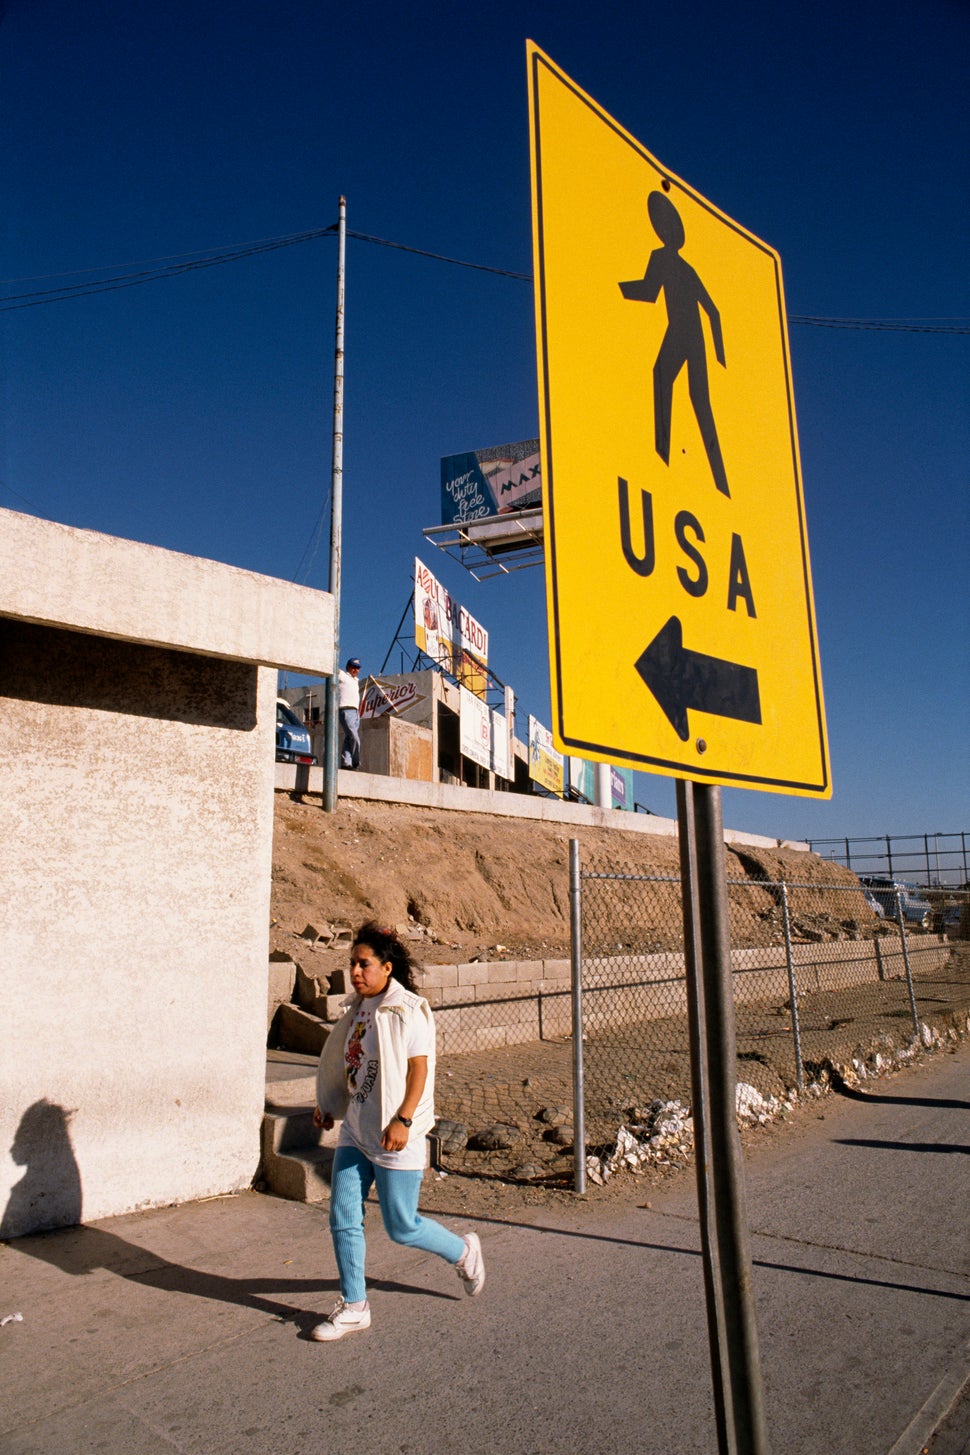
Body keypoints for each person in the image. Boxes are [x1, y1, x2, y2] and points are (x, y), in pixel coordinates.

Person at [311, 921, 485, 1341]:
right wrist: (329, 1106)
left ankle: (464, 1252)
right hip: (356, 1131)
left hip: (395, 1133)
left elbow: (419, 1068)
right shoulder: (358, 1010)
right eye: (352, 963)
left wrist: (404, 1120)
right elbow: (348, 1065)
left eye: (364, 964)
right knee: (343, 1215)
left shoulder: (407, 1008)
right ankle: (355, 1305)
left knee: (401, 1226)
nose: (355, 971)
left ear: (387, 968)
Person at [338, 657, 361, 770]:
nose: (355, 670)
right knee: (354, 737)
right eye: (353, 667)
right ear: (348, 667)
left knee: (349, 738)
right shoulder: (343, 676)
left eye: (357, 668)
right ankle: (356, 761)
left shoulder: (356, 681)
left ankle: (346, 762)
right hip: (346, 710)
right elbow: (335, 669)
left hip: (355, 712)